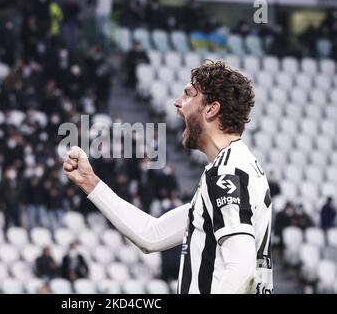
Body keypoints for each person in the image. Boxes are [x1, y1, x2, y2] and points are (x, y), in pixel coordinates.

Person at [63, 61, 273, 294]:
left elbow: (242, 271)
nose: (177, 102)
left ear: (211, 109)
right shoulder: (238, 166)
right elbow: (151, 235)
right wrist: (89, 181)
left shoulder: (227, 173)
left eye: (188, 94)